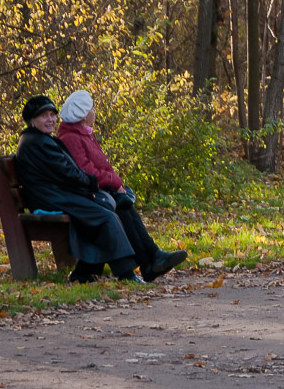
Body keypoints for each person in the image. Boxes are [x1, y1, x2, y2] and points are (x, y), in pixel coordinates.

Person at [56, 90, 188, 281]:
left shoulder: (84, 134)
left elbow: (101, 165)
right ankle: (148, 263)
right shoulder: (71, 138)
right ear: (83, 115)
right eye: (92, 109)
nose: (94, 112)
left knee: (125, 206)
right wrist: (114, 181)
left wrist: (117, 183)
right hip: (84, 195)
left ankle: (153, 257)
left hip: (97, 191)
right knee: (121, 210)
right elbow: (86, 171)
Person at [12, 95, 143, 284]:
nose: (50, 120)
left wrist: (89, 184)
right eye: (44, 116)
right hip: (50, 198)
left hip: (55, 194)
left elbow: (66, 171)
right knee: (106, 216)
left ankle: (83, 272)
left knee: (104, 209)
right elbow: (67, 172)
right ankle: (126, 273)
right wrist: (91, 183)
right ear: (32, 120)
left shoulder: (39, 139)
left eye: (52, 115)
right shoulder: (37, 142)